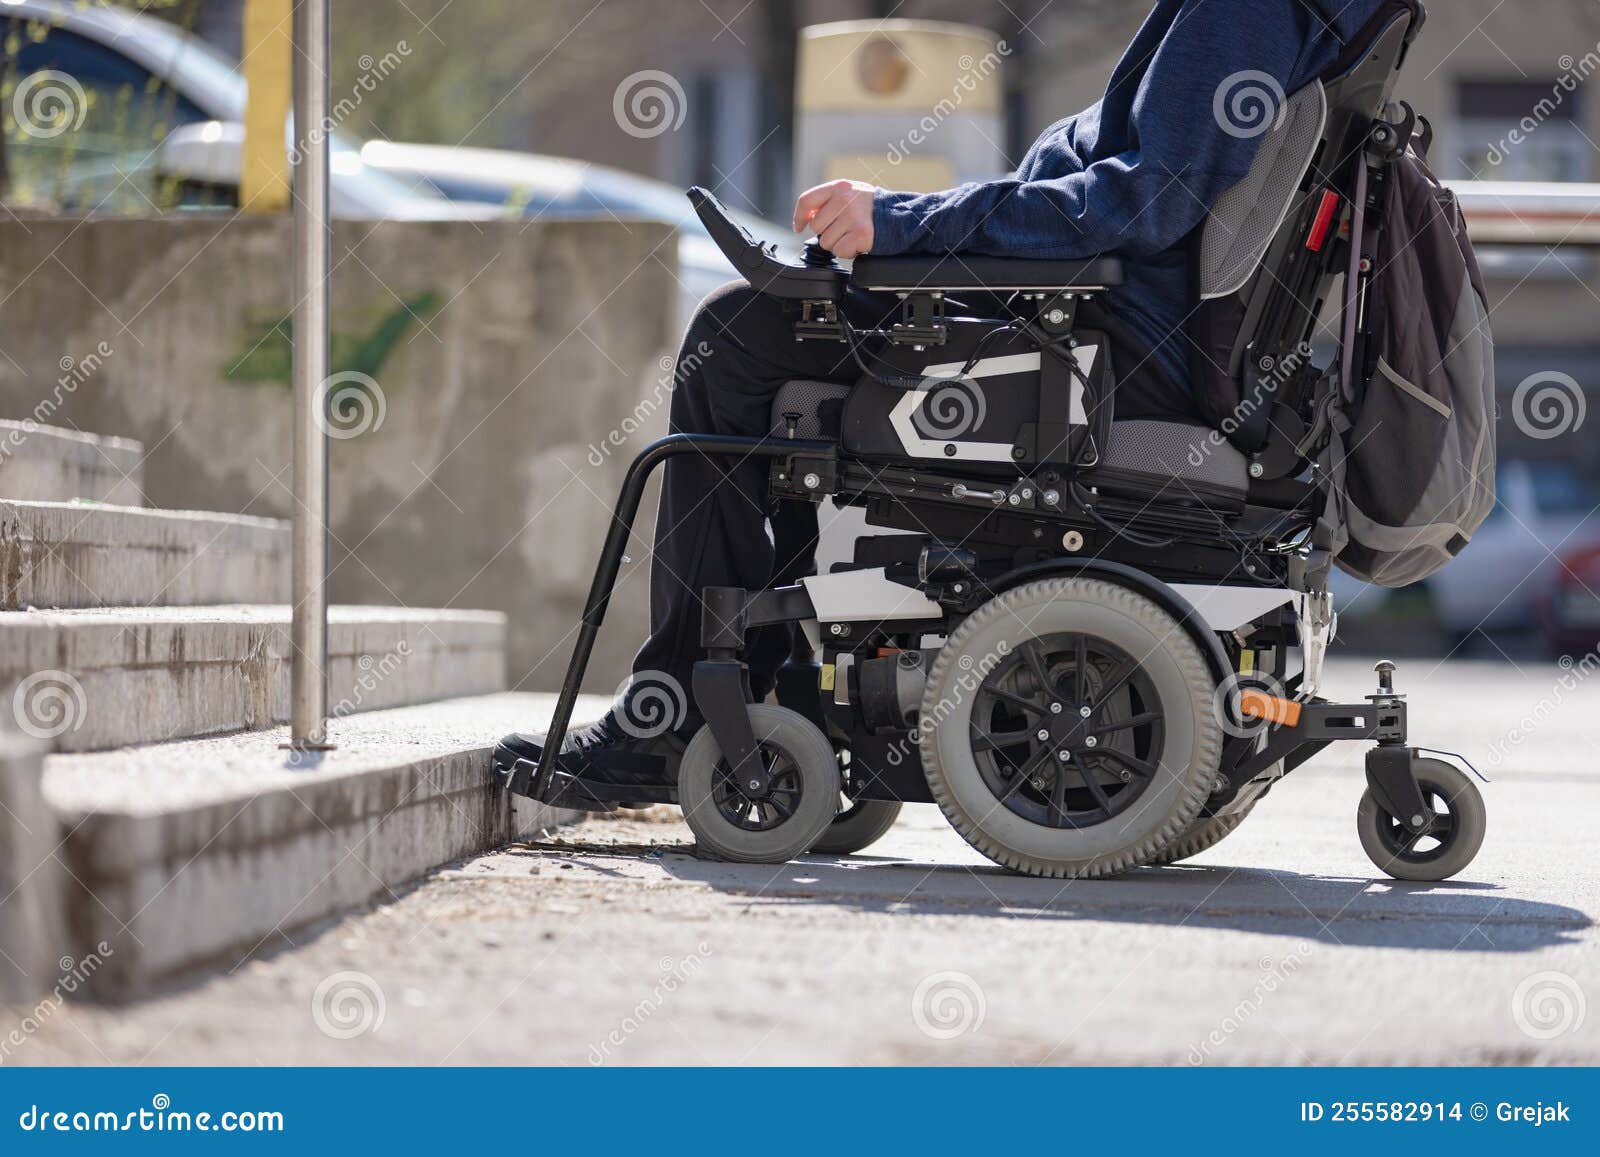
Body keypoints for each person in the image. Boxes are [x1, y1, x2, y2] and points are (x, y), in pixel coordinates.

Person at [498, 0, 1390, 804]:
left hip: (1100, 348)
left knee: (737, 338)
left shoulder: (1247, 11)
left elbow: (1141, 203)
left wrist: (906, 224)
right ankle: (767, 695)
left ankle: (682, 716)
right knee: (783, 331)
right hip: (1125, 334)